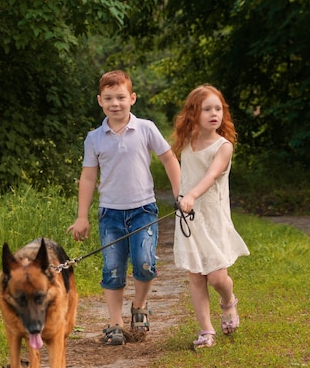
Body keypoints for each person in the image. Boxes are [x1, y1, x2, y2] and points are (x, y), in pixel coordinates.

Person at [67, 70, 181, 346]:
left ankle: (139, 306)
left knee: (145, 263)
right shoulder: (94, 138)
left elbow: (168, 159)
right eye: (108, 98)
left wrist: (180, 195)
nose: (115, 103)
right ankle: (114, 322)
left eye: (120, 97)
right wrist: (82, 217)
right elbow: (88, 177)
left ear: (132, 98)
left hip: (143, 209)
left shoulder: (146, 128)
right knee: (113, 269)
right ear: (99, 101)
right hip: (110, 213)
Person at [171, 84, 250, 349]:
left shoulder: (223, 146)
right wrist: (181, 196)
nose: (214, 113)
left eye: (218, 109)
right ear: (194, 113)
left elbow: (211, 175)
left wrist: (191, 195)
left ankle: (228, 301)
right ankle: (207, 330)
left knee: (216, 277)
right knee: (196, 276)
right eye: (207, 109)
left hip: (212, 217)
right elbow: (177, 168)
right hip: (189, 219)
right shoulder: (186, 141)